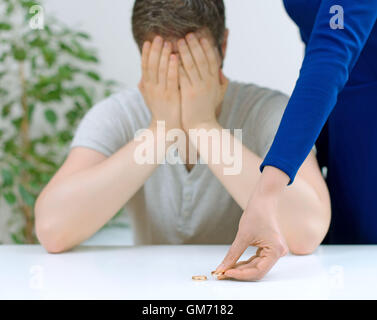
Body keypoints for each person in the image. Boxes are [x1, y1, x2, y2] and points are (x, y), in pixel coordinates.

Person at [34, 0, 330, 259]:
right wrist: (161, 130)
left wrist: (203, 127)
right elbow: (52, 230)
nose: (178, 75)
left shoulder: (268, 111)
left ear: (222, 47)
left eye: (192, 58)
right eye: (164, 61)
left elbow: (306, 232)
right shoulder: (118, 114)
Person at [215, 0, 377, 281]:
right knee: (335, 262)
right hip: (331, 103)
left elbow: (330, 55)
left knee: (361, 259)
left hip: (360, 107)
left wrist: (265, 196)